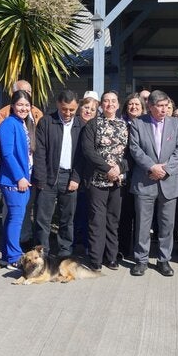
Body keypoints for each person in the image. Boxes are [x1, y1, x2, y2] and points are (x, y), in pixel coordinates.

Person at [129, 90, 178, 277]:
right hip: (145, 181)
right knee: (143, 224)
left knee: (166, 224)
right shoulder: (138, 123)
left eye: (166, 105)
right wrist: (152, 167)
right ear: (151, 107)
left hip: (169, 181)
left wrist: (165, 169)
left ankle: (164, 260)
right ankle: (141, 260)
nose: (164, 109)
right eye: (160, 106)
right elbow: (135, 149)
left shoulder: (177, 124)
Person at [33, 90, 84, 258]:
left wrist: (76, 178)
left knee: (67, 220)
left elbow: (82, 156)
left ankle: (64, 253)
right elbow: (39, 153)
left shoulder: (81, 125)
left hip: (70, 177)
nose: (67, 113)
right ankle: (42, 253)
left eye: (71, 110)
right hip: (48, 178)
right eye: (64, 109)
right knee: (43, 219)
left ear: (77, 107)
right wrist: (41, 178)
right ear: (58, 105)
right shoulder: (47, 122)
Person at [81, 91, 129, 271]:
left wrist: (119, 169)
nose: (110, 104)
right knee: (97, 221)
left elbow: (128, 154)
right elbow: (88, 151)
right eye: (106, 101)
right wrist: (107, 169)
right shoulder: (93, 125)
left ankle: (111, 257)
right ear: (101, 105)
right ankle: (95, 259)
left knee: (113, 221)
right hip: (97, 181)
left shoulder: (124, 125)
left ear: (118, 104)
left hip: (117, 182)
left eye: (113, 101)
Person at [0, 90, 34, 269]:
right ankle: (13, 257)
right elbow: (7, 154)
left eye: (27, 105)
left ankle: (6, 255)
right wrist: (19, 177)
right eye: (20, 105)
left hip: (23, 180)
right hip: (12, 180)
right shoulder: (9, 124)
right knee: (16, 219)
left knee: (13, 218)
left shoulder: (21, 123)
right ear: (12, 106)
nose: (23, 108)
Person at [117, 93, 145, 259]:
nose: (134, 107)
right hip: (124, 175)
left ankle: (140, 250)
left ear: (143, 108)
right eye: (131, 105)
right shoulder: (120, 124)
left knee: (142, 216)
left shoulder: (148, 124)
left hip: (142, 174)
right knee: (125, 214)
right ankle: (123, 248)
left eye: (137, 105)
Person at [73, 91, 100, 251]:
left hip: (91, 176)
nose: (88, 111)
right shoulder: (73, 125)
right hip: (74, 175)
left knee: (88, 212)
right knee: (75, 213)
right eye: (86, 107)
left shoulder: (97, 126)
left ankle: (86, 243)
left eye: (92, 109)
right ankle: (75, 242)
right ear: (80, 107)